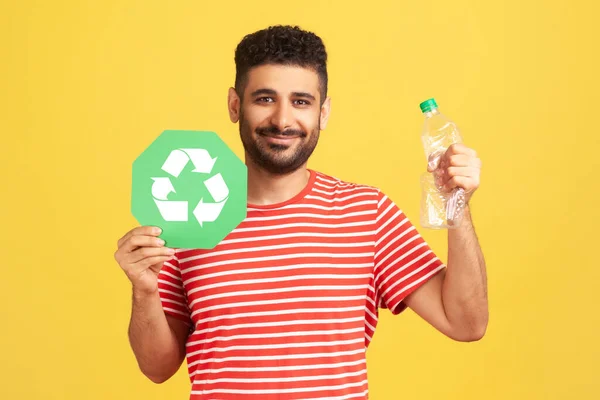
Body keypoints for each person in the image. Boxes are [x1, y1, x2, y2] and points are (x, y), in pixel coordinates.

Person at [114, 25, 488, 400]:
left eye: (301, 101)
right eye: (264, 99)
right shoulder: (187, 215)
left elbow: (466, 323)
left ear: (323, 112)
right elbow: (157, 368)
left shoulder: (366, 213)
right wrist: (144, 290)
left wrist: (458, 205)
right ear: (234, 105)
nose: (282, 119)